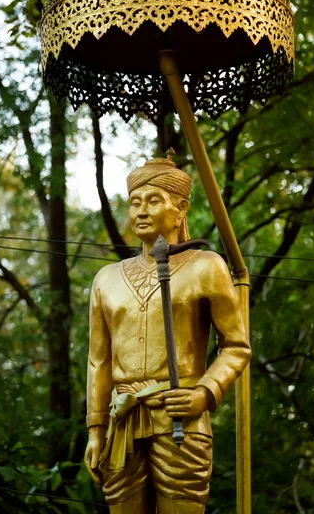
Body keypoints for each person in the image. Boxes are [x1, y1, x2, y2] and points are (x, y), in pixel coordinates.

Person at [84, 150, 251, 513]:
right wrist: (95, 429)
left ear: (181, 209)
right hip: (122, 421)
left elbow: (236, 346)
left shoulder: (207, 267)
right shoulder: (106, 279)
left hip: (180, 420)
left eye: (153, 201)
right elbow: (97, 360)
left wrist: (205, 393)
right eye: (134, 202)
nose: (141, 211)